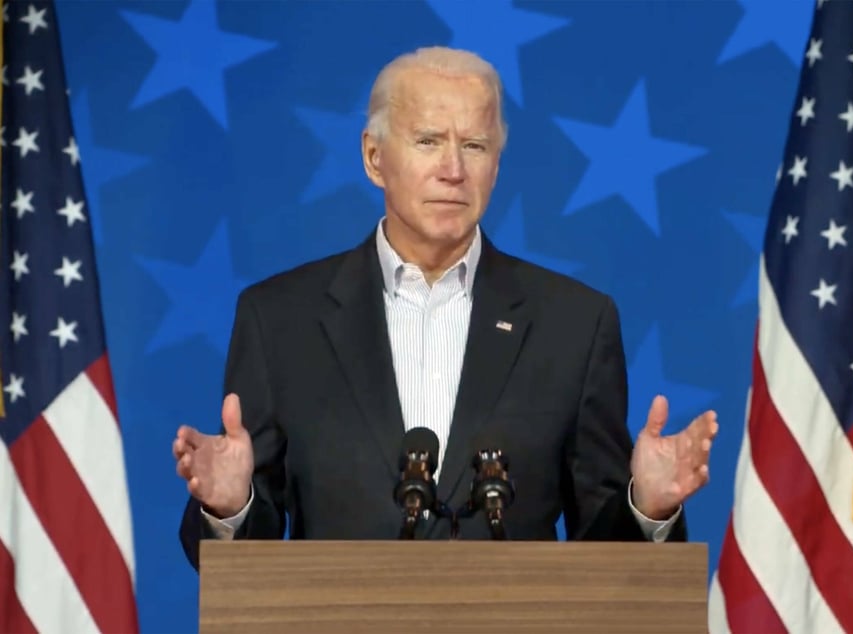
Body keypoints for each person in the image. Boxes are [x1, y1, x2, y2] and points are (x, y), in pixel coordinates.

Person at [174, 46, 718, 570]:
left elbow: (605, 561)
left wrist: (646, 506)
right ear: (374, 157)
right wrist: (229, 508)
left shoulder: (575, 325)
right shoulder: (279, 321)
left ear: (496, 166)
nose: (453, 169)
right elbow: (242, 565)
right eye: (428, 140)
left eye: (475, 146)